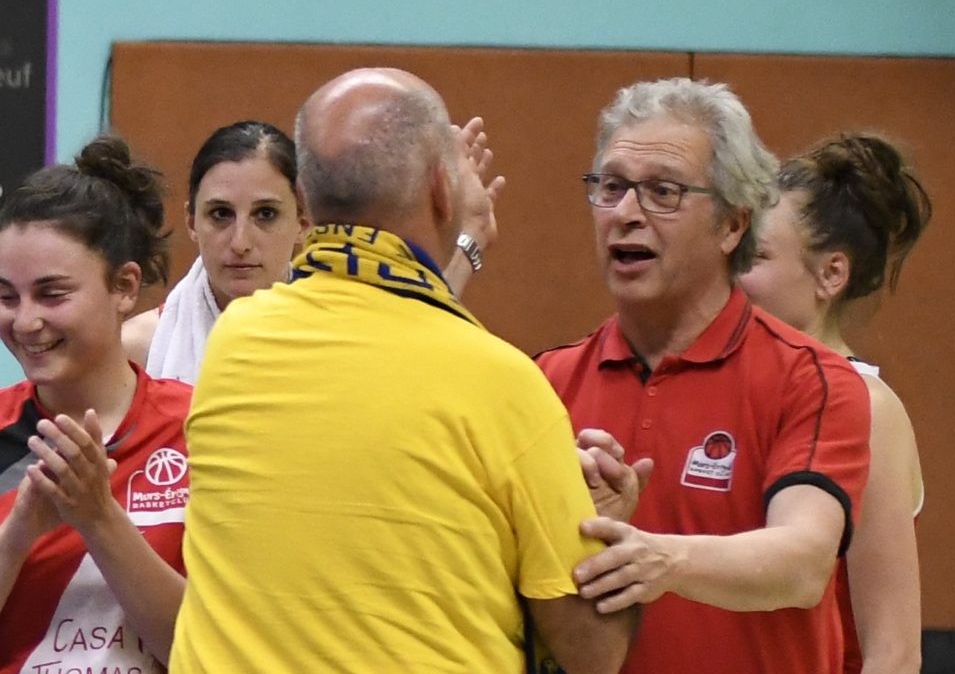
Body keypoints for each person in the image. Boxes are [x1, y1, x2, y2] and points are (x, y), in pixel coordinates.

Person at [169, 67, 634, 673]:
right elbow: (591, 653)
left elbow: (384, 330)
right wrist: (605, 530)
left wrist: (464, 242)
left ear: (304, 202)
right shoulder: (504, 384)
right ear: (442, 188)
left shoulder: (234, 343)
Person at [536, 78, 872, 674]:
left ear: (732, 225)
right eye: (611, 188)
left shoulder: (812, 378)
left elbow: (803, 563)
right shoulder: (545, 381)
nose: (625, 214)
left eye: (662, 192)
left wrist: (661, 560)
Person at [738, 131, 932, 674]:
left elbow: (891, 653)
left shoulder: (868, 406)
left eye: (755, 256)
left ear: (831, 274)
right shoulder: (732, 392)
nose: (732, 276)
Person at [0, 136, 192, 672]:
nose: (25, 321)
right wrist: (16, 539)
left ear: (125, 286)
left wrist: (98, 518)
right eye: (6, 296)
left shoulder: (199, 429)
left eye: (52, 294)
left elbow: (207, 652)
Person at [122, 118, 503, 384]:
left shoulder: (338, 331)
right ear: (191, 221)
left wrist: (469, 237)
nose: (240, 241)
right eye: (220, 215)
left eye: (265, 214)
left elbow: (415, 350)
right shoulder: (136, 349)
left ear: (304, 221)